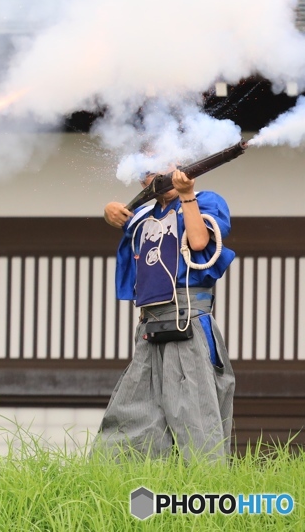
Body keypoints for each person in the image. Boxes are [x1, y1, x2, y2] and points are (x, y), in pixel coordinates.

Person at [95, 167, 236, 461]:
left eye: (167, 169)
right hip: (150, 324)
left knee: (195, 411)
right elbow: (121, 218)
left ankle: (205, 491)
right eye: (150, 173)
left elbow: (199, 243)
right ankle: (122, 486)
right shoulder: (143, 214)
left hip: (189, 321)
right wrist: (109, 210)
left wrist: (186, 195)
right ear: (143, 181)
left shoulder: (205, 200)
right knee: (132, 411)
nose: (160, 177)